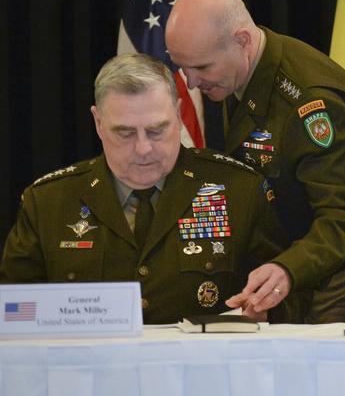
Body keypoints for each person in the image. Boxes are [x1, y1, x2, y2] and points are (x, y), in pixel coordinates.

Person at [164, 0, 345, 323]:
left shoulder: (313, 105)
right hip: (306, 260)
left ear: (243, 40)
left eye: (201, 67)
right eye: (183, 67)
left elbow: (343, 221)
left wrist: (286, 269)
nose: (192, 82)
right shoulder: (240, 70)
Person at [0, 53, 296, 324]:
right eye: (125, 133)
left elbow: (287, 299)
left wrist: (266, 309)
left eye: (157, 130)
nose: (143, 149)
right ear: (98, 123)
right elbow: (12, 313)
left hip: (201, 377)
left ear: (179, 114)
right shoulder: (49, 203)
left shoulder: (238, 190)